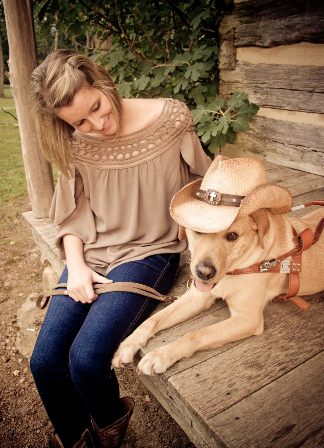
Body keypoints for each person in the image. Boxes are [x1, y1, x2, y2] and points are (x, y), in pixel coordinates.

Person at [29, 49, 211, 448]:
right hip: (90, 255)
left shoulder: (170, 118)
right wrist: (75, 268)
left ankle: (111, 425)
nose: (97, 124)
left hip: (149, 253)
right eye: (80, 121)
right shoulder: (74, 142)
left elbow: (204, 181)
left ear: (100, 80)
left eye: (97, 107)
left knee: (87, 359)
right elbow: (73, 216)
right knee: (44, 364)